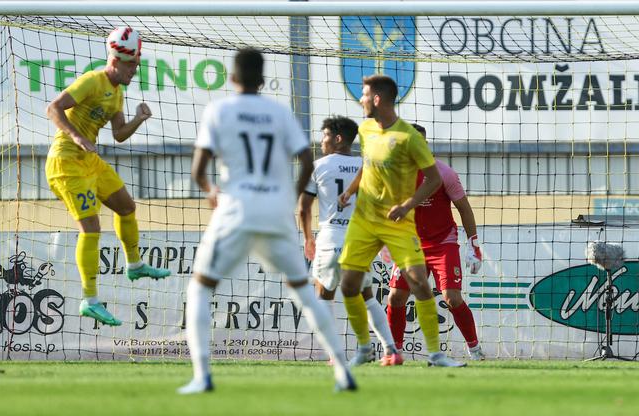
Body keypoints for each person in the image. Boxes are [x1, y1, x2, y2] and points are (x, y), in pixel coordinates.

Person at [179, 48, 356, 394]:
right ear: (262, 80)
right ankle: (343, 372)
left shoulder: (219, 110)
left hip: (236, 207)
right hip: (275, 211)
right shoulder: (278, 111)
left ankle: (202, 376)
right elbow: (307, 160)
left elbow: (198, 170)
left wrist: (210, 190)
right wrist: (287, 198)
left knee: (200, 287)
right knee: (306, 292)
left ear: (232, 78)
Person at [45, 27, 170, 327]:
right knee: (91, 228)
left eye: (136, 66)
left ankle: (135, 264)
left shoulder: (117, 92)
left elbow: (118, 135)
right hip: (66, 163)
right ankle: (89, 300)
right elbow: (53, 108)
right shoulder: (92, 81)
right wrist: (76, 137)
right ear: (115, 59)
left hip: (90, 162)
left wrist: (138, 120)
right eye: (131, 66)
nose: (133, 72)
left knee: (126, 206)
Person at [337, 75, 465, 367]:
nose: (361, 100)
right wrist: (350, 191)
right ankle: (368, 349)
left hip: (399, 223)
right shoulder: (366, 129)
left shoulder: (409, 137)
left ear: (378, 99)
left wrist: (408, 204)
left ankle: (436, 355)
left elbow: (432, 179)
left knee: (419, 284)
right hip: (365, 220)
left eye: (365, 95)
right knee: (348, 284)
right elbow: (367, 166)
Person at [298, 116, 397, 366]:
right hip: (360, 238)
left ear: (338, 138)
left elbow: (303, 208)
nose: (322, 141)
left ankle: (335, 355)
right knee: (367, 296)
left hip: (331, 236)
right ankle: (390, 349)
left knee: (323, 295)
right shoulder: (368, 165)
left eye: (325, 135)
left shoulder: (318, 166)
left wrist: (308, 237)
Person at [386, 123, 485, 363]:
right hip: (411, 245)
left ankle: (475, 349)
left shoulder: (444, 173)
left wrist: (474, 245)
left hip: (443, 243)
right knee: (396, 297)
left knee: (452, 298)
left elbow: (464, 208)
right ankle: (394, 352)